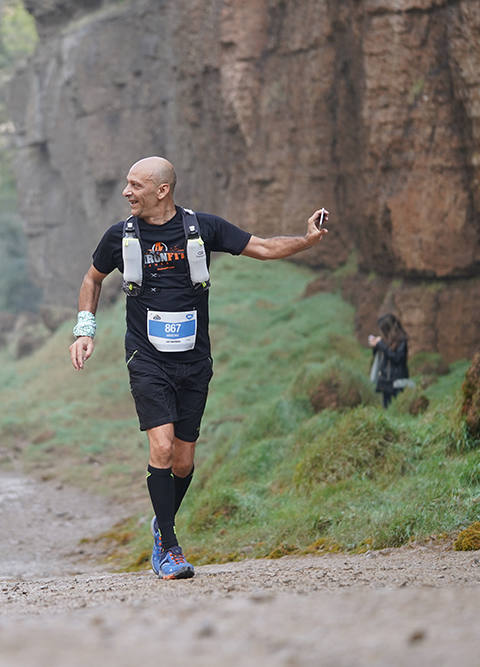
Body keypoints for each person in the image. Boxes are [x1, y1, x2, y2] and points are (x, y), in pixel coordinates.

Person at [69, 156, 329, 580]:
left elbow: (261, 247)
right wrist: (86, 329)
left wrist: (306, 240)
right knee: (163, 448)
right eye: (126, 184)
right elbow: (92, 279)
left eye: (135, 185)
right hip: (146, 357)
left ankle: (161, 521)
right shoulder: (120, 236)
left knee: (184, 463)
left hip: (193, 361)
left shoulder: (202, 228)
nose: (126, 192)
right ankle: (168, 547)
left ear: (162, 190)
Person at [367, 313, 409, 408]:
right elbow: (381, 358)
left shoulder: (402, 341)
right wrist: (376, 346)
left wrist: (381, 344)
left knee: (397, 409)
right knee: (386, 410)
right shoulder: (386, 341)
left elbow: (397, 358)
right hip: (385, 381)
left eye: (383, 330)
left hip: (398, 381)